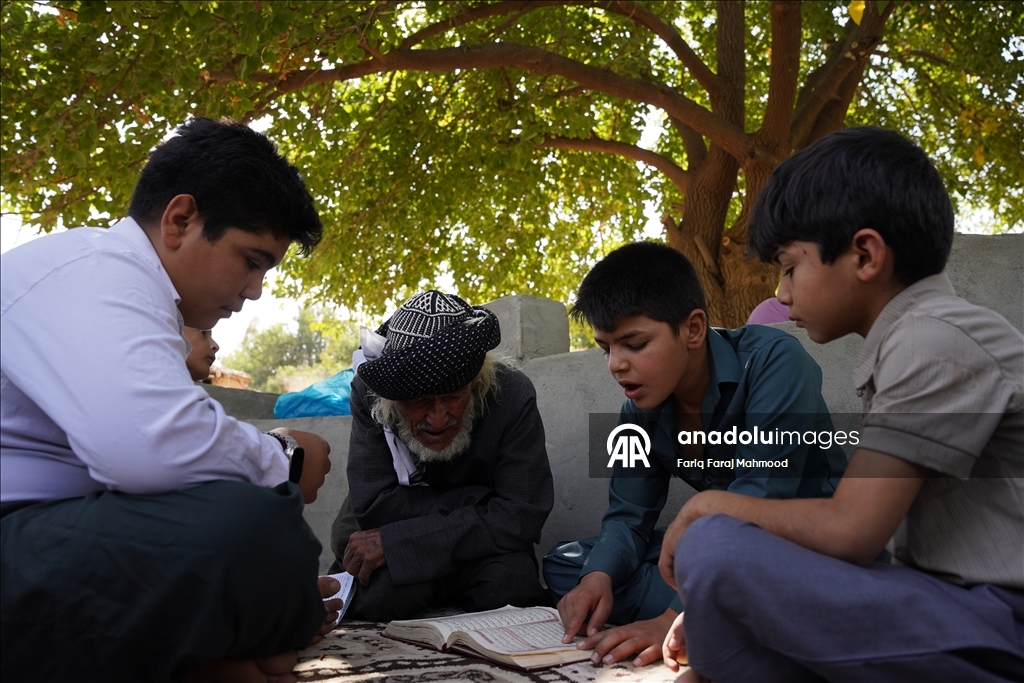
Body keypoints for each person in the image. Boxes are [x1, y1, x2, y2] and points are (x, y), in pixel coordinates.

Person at [659, 127, 1023, 682]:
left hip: (1003, 623)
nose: (781, 295)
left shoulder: (934, 339)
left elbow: (850, 531)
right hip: (955, 606)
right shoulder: (914, 339)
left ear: (865, 254)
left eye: (789, 266)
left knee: (714, 544)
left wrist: (707, 505)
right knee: (724, 581)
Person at [1, 118, 341, 683]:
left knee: (260, 541)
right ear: (180, 220)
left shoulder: (134, 291)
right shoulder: (98, 270)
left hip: (41, 536)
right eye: (251, 261)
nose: (254, 290)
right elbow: (145, 446)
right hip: (19, 538)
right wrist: (283, 459)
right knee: (256, 527)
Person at [544, 241, 849, 667]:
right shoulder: (639, 411)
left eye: (634, 344)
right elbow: (628, 517)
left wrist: (672, 615)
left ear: (692, 328)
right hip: (720, 550)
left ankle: (701, 615)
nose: (616, 364)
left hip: (799, 546)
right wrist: (597, 579)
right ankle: (724, 611)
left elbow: (759, 501)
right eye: (606, 348)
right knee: (569, 566)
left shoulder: (775, 362)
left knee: (791, 580)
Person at [330, 290, 554, 621]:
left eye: (453, 396)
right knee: (385, 594)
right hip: (413, 529)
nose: (438, 419)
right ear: (393, 399)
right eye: (419, 402)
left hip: (458, 542)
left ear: (476, 381)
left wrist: (406, 542)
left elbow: (520, 516)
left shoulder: (513, 394)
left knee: (512, 584)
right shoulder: (369, 394)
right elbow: (374, 506)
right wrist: (483, 502)